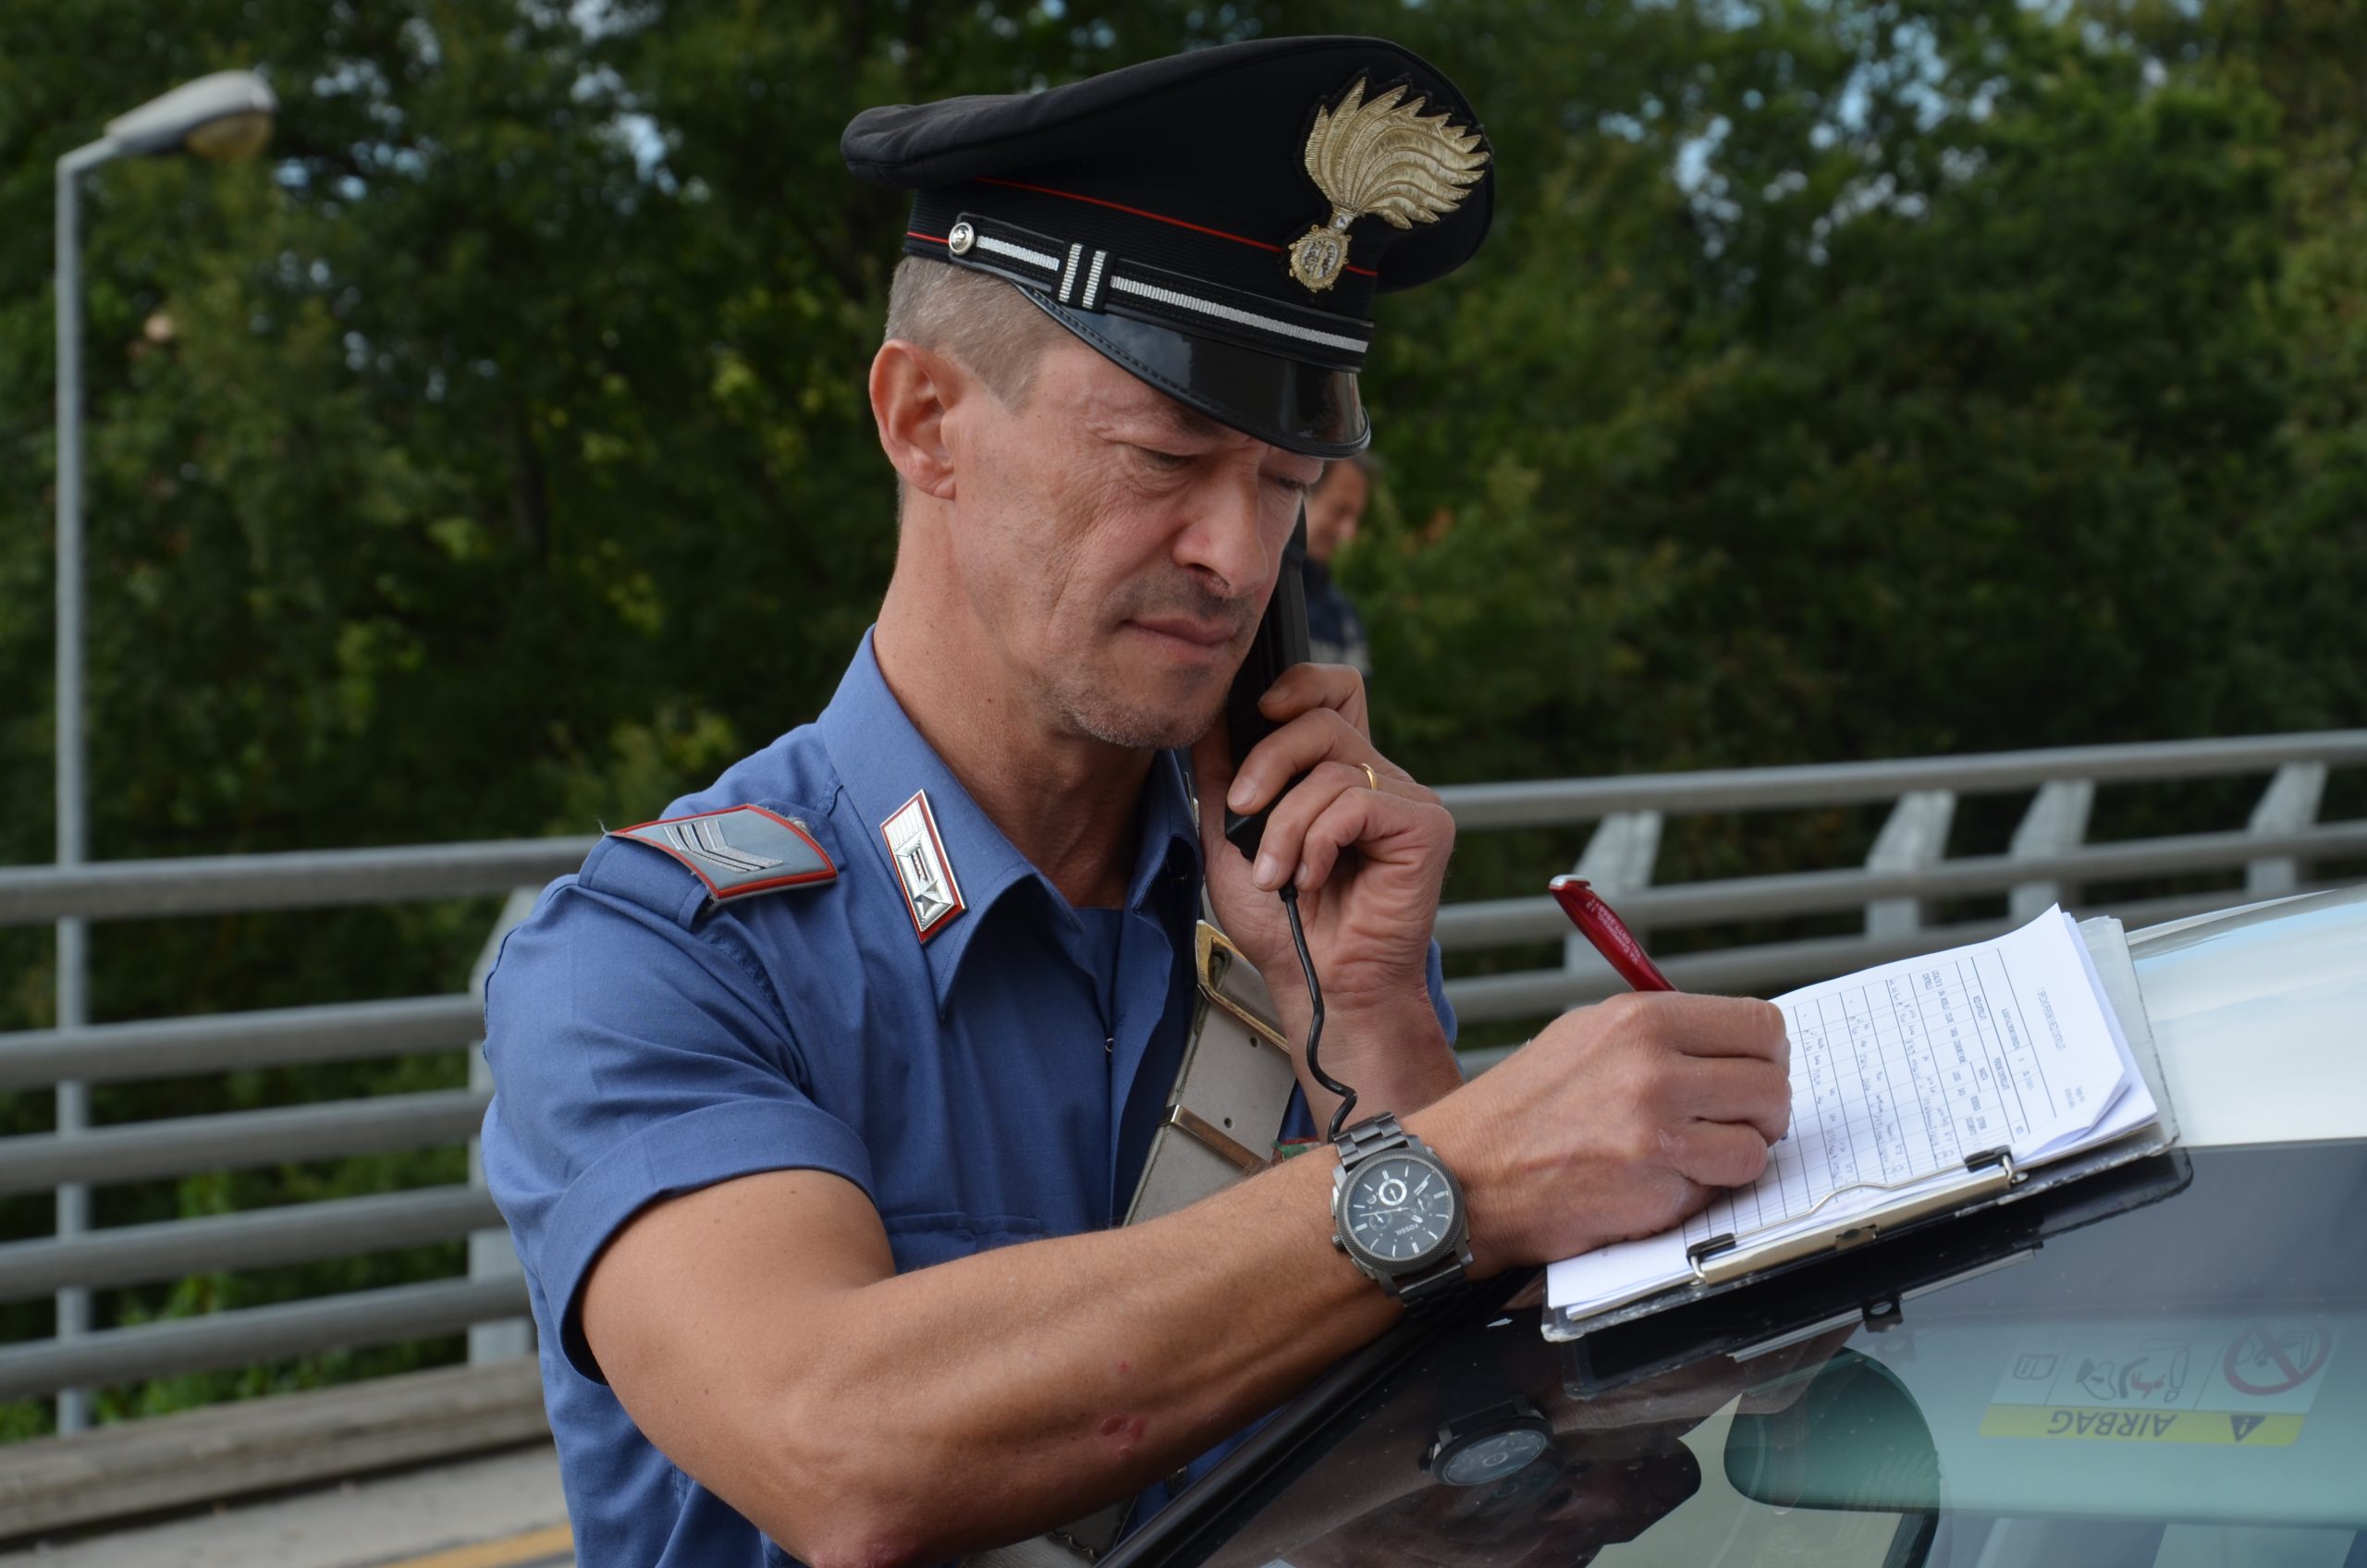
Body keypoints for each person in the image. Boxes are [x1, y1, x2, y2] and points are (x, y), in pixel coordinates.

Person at [480, 35, 1791, 1568]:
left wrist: (1364, 1013)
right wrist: (1454, 1177)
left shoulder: (1304, 911)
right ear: (922, 420)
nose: (1241, 559)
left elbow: (1501, 1499)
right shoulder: (658, 956)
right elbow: (837, 1440)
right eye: (1167, 456)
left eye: (1286, 484)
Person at [1302, 455, 1374, 679]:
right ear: (1299, 495)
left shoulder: (1345, 619)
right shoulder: (1254, 600)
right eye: (1339, 511)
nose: (1349, 533)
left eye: (1355, 518)